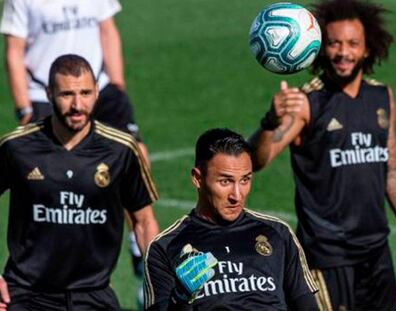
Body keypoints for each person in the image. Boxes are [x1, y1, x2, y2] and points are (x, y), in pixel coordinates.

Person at [249, 0, 396, 310]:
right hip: (326, 257)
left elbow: (392, 167)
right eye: (335, 43)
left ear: (367, 49)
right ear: (321, 48)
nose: (343, 52)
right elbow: (259, 159)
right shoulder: (306, 103)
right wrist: (269, 123)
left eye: (353, 44)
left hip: (376, 251)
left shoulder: (381, 97)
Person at [0, 1, 151, 304]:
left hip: (93, 295)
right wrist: (24, 109)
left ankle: (138, 255)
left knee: (134, 153)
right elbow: (14, 51)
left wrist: (116, 85)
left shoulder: (119, 144)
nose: (78, 105)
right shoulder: (15, 146)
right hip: (42, 91)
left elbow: (107, 29)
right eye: (71, 97)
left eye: (84, 96)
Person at [144, 128, 318, 310]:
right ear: (197, 178)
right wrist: (179, 299)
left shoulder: (278, 234)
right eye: (225, 181)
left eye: (244, 180)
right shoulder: (165, 247)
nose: (237, 195)